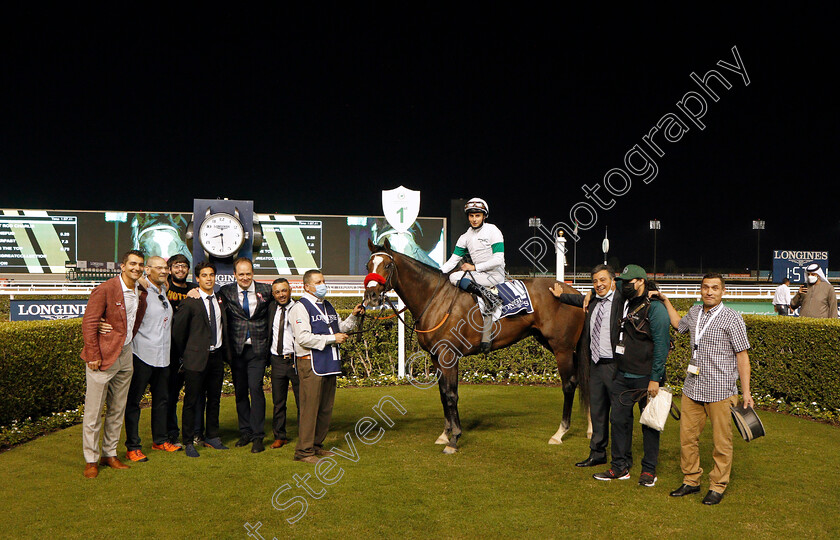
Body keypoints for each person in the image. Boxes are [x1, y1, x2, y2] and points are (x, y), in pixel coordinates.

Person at [654, 273, 754, 505]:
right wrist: (666, 301)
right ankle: (691, 481)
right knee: (687, 438)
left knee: (722, 443)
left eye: (715, 288)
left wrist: (746, 392)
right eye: (706, 287)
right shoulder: (695, 312)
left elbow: (742, 356)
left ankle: (717, 486)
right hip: (693, 388)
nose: (709, 292)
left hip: (721, 390)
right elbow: (679, 325)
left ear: (723, 291)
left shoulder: (732, 318)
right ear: (701, 290)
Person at [591, 265, 669, 487]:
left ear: (641, 282)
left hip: (647, 378)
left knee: (650, 425)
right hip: (622, 376)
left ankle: (649, 470)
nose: (623, 285)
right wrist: (590, 291)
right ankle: (619, 467)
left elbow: (662, 345)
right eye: (622, 281)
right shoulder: (625, 299)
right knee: (618, 421)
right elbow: (606, 282)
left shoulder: (656, 308)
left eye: (629, 281)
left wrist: (655, 378)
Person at [80, 249, 148, 478]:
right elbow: (89, 322)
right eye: (132, 264)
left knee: (117, 409)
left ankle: (109, 454)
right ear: (122, 266)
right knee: (93, 411)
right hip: (102, 357)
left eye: (140, 264)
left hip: (125, 356)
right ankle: (91, 459)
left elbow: (134, 321)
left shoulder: (141, 291)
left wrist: (122, 339)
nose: (136, 268)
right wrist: (92, 354)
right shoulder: (107, 288)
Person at [550, 264, 621, 469]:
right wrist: (561, 296)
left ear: (613, 281)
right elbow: (576, 300)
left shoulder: (619, 301)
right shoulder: (592, 303)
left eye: (603, 280)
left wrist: (591, 291)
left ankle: (620, 459)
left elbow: (627, 283)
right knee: (598, 412)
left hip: (614, 366)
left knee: (618, 416)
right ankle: (597, 453)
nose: (599, 285)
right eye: (595, 282)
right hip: (595, 365)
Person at [290, 269, 364, 463]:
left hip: (329, 363)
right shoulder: (300, 307)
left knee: (325, 408)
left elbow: (340, 328)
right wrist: (332, 339)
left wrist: (354, 316)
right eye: (318, 282)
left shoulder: (327, 305)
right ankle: (304, 451)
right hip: (310, 363)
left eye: (323, 280)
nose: (323, 284)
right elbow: (303, 337)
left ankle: (316, 445)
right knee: (310, 408)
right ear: (307, 286)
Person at [121, 256, 180, 460]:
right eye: (159, 268)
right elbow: (125, 281)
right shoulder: (140, 290)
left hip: (163, 356)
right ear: (148, 270)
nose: (164, 271)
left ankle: (160, 440)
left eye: (166, 268)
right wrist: (139, 281)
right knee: (134, 403)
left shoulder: (163, 290)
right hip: (141, 355)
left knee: (162, 400)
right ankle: (132, 447)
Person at [172, 261, 229, 457]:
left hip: (216, 358)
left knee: (214, 400)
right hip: (195, 359)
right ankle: (188, 440)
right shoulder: (190, 302)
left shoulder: (220, 299)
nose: (208, 278)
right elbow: (178, 333)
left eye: (211, 275)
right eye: (204, 275)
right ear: (197, 278)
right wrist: (188, 354)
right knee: (191, 401)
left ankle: (212, 436)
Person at [219, 257, 273, 453]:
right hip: (237, 351)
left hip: (258, 350)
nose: (244, 277)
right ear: (234, 275)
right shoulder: (226, 292)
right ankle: (245, 432)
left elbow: (284, 299)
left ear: (253, 273)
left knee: (255, 389)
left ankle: (258, 436)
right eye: (240, 274)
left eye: (248, 273)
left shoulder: (267, 291)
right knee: (240, 392)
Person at [440, 197, 505, 350]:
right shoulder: (465, 237)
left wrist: (474, 267)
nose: (474, 219)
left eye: (478, 215)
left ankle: (489, 297)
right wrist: (436, 273)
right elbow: (453, 261)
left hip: (494, 276)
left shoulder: (493, 230)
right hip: (478, 277)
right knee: (452, 276)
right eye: (471, 216)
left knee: (455, 276)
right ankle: (486, 296)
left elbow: (498, 259)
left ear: (484, 216)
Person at [165, 253, 198, 446]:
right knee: (170, 395)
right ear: (170, 269)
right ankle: (171, 433)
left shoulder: (194, 289)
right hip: (169, 350)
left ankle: (194, 432)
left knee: (194, 395)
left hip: (192, 350)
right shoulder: (164, 287)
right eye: (176, 266)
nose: (180, 269)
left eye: (184, 266)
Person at [269, 278, 300, 448]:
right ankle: (280, 436)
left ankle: (305, 436)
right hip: (277, 361)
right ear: (273, 294)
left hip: (295, 361)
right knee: (278, 402)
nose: (281, 294)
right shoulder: (270, 308)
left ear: (290, 290)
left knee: (301, 401)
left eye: (284, 290)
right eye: (277, 292)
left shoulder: (299, 308)